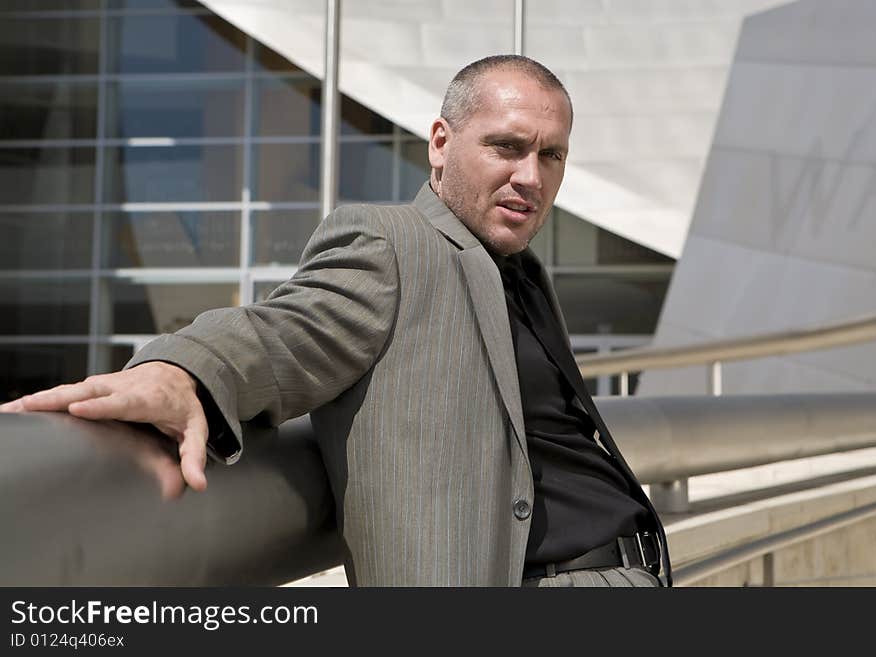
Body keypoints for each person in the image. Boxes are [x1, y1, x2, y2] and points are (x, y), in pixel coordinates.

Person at [0, 55, 671, 587]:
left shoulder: (520, 271)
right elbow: (288, 329)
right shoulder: (394, 243)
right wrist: (185, 370)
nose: (531, 175)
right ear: (440, 143)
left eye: (551, 154)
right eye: (507, 146)